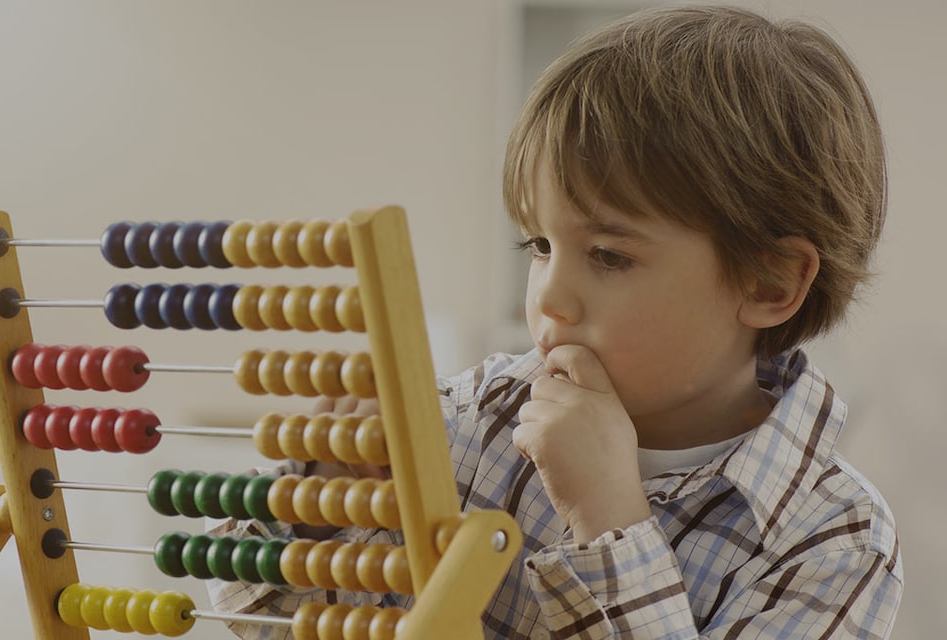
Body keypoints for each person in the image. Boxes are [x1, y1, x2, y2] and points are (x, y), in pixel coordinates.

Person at [208, 6, 902, 638]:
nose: (549, 298)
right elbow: (256, 619)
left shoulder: (834, 543)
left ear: (770, 282)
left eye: (607, 255)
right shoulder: (465, 428)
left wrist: (609, 524)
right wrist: (315, 507)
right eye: (539, 245)